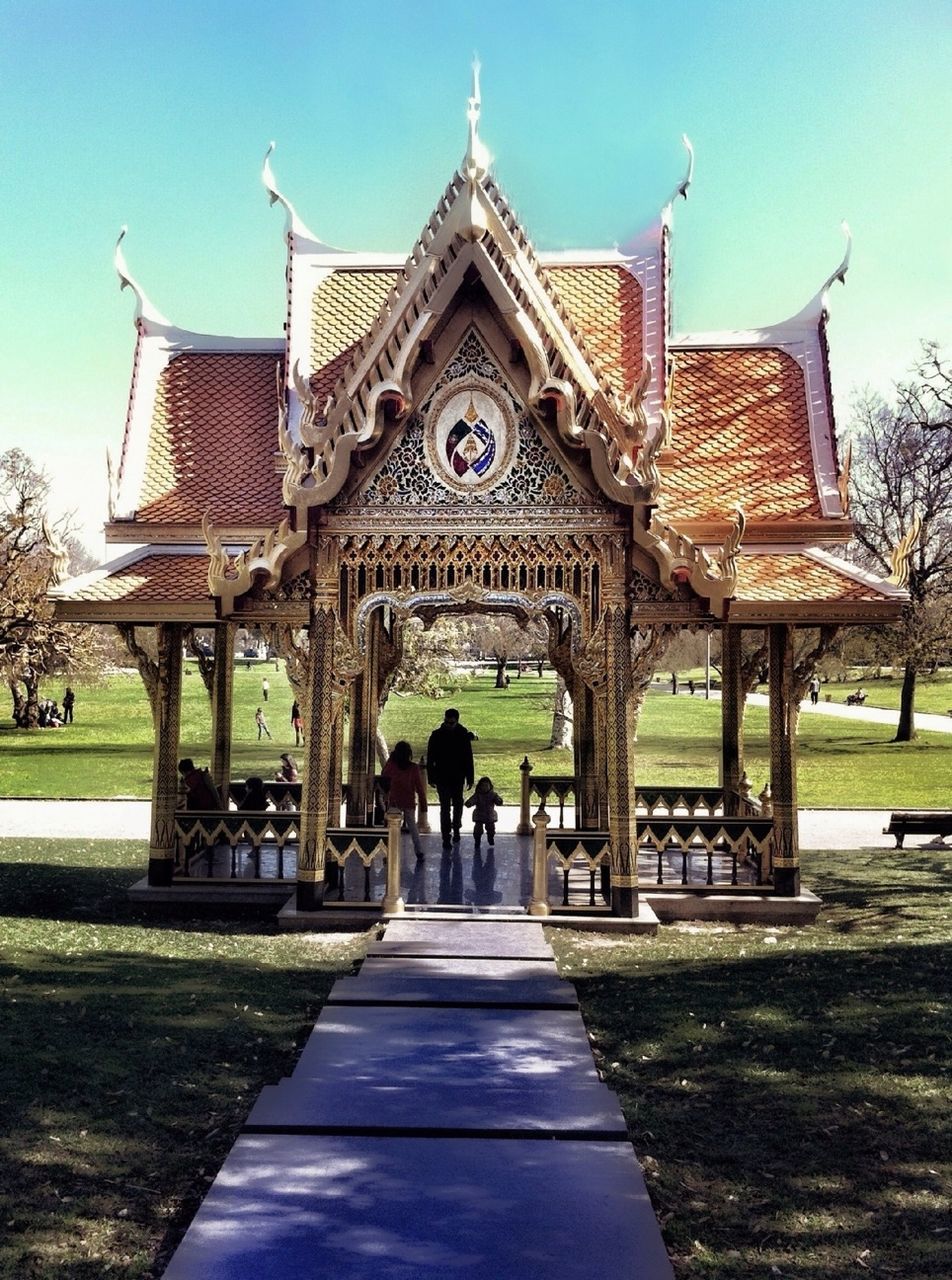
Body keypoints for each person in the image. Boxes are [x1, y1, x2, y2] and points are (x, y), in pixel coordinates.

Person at [426, 707, 476, 850]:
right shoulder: (436, 736)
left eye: (451, 723)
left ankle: (457, 828)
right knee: (445, 807)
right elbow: (430, 758)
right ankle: (446, 836)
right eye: (446, 722)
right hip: (442, 776)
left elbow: (468, 757)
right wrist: (431, 777)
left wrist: (470, 777)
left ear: (456, 721)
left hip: (457, 776)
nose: (448, 725)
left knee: (458, 805)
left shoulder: (463, 735)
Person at [380, 740, 428, 858]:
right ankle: (419, 851)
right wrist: (423, 803)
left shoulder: (392, 766)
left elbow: (383, 775)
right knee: (413, 827)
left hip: (394, 800)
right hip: (409, 800)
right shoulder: (413, 768)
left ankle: (388, 852)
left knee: (392, 828)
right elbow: (419, 787)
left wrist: (391, 759)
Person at [465, 775, 503, 851]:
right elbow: (472, 800)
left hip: (490, 815)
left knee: (491, 829)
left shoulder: (493, 795)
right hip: (479, 815)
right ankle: (477, 841)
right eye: (483, 786)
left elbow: (497, 800)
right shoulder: (477, 795)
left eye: (486, 786)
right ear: (479, 787)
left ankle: (490, 837)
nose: (485, 787)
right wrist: (469, 803)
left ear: (490, 786)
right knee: (477, 830)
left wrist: (499, 801)